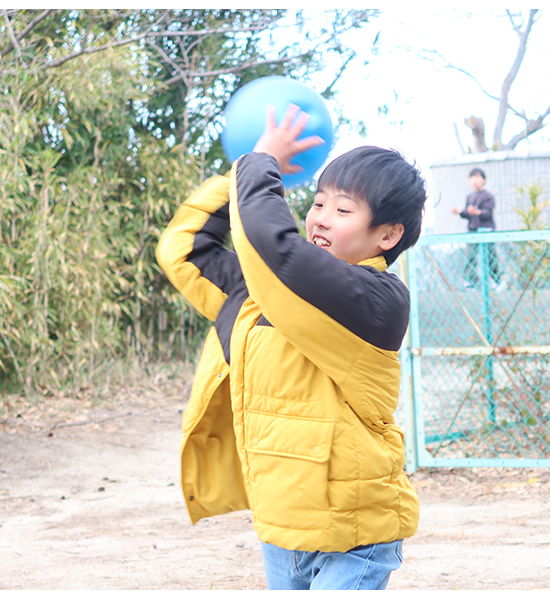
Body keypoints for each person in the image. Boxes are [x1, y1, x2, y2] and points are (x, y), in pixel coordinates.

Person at [155, 105, 424, 590]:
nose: (320, 218)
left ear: (387, 235)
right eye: (317, 203)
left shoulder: (376, 300)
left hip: (354, 537)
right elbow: (183, 246)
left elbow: (274, 248)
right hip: (283, 528)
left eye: (342, 210)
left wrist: (262, 164)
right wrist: (243, 169)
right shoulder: (257, 293)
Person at [451, 167, 501, 289]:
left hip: (486, 231)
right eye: (472, 177)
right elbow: (468, 214)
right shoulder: (470, 197)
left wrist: (477, 212)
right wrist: (460, 212)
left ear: (483, 179)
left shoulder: (488, 196)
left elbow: (487, 213)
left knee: (490, 257)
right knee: (471, 257)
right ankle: (471, 281)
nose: (475, 180)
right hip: (472, 230)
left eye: (478, 177)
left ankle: (496, 281)